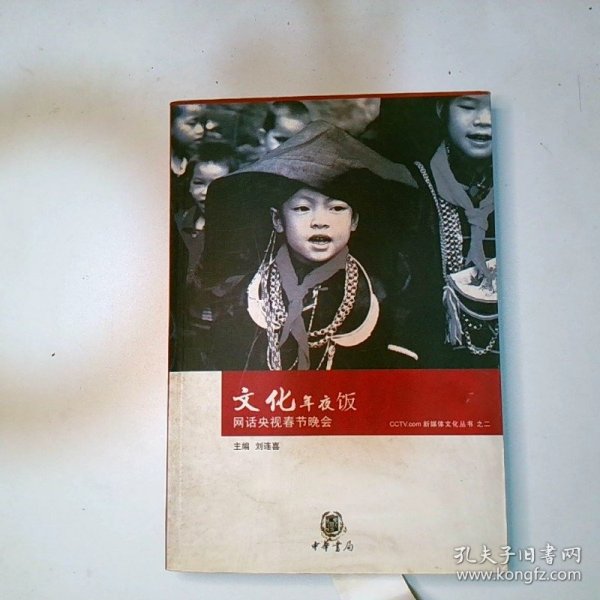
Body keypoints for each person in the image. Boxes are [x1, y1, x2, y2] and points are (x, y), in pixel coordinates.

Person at [190, 121, 421, 371]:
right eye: (303, 208)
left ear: (354, 220)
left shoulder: (380, 300)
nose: (320, 222)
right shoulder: (240, 297)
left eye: (336, 208)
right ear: (278, 220)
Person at [408, 93, 498, 367]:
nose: (484, 120)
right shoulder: (412, 184)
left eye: (494, 109)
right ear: (442, 110)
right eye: (468, 106)